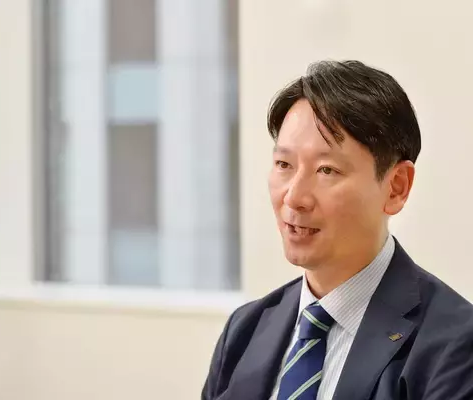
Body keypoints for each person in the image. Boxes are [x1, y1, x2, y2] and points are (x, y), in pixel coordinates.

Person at [201, 60, 473, 400]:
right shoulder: (244, 330)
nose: (294, 197)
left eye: (326, 170)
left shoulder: (456, 345)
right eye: (284, 164)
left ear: (396, 187)